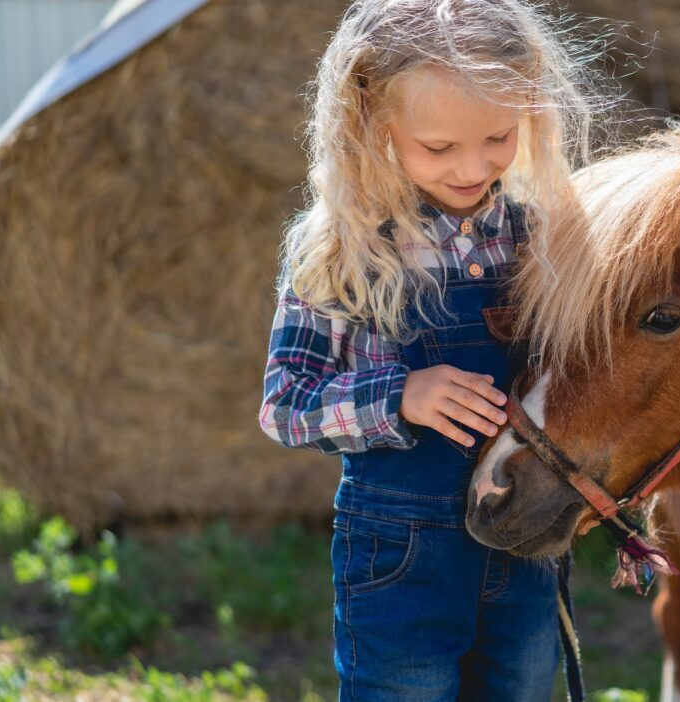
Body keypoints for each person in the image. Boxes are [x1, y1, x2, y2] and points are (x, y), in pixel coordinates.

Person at [257, 1, 602, 699]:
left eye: (499, 137)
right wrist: (400, 397)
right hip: (399, 556)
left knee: (523, 687)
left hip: (521, 542)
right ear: (372, 126)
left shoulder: (542, 235)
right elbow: (285, 405)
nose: (473, 167)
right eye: (440, 148)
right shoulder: (345, 249)